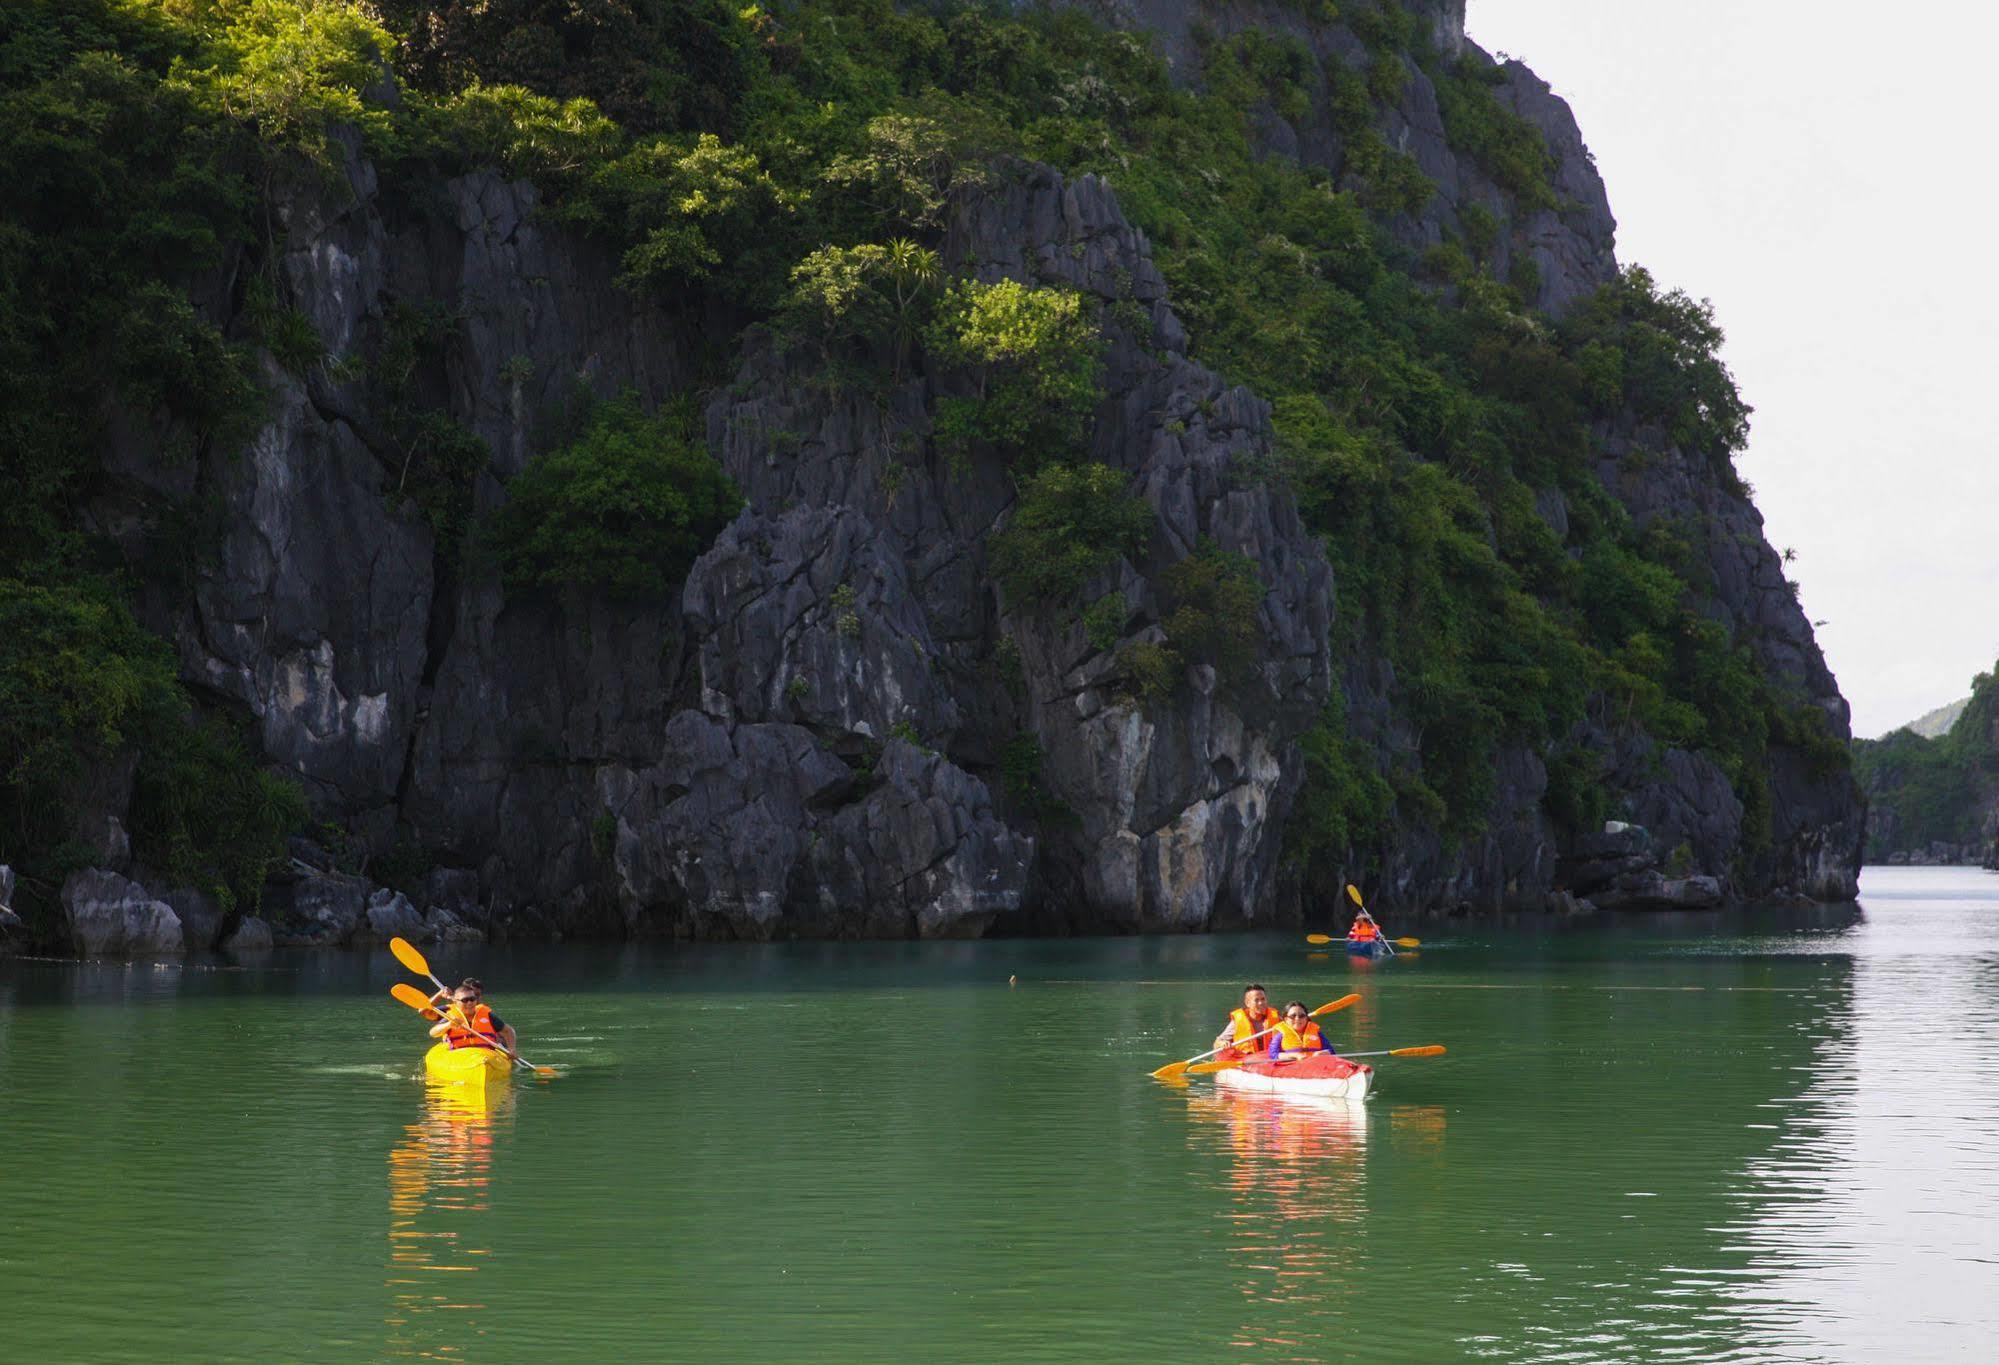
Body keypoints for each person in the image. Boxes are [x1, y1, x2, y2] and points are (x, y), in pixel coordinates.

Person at [427, 978, 517, 1054]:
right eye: (465, 1000)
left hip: (485, 1054)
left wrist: (511, 1049)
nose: (470, 1002)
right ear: (456, 1000)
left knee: (500, 1038)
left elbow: (508, 1031)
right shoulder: (450, 1012)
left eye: (473, 998)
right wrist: (449, 1024)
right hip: (460, 1053)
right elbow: (426, 1013)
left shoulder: (486, 1013)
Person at [1213, 983, 1283, 1059]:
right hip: (1247, 1060)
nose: (1261, 1003)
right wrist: (1222, 1043)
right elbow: (1217, 1043)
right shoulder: (1237, 1022)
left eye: (1263, 999)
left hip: (1271, 1059)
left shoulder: (1277, 1018)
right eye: (1256, 1000)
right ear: (1247, 1003)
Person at [1267, 1001, 1336, 1060]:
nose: (1297, 1019)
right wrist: (1295, 1055)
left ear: (1306, 1018)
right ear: (1286, 1019)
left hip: (1315, 1063)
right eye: (1293, 1016)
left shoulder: (1317, 1033)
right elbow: (1273, 1055)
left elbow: (1331, 1051)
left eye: (1302, 1016)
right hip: (1292, 1065)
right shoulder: (1280, 1035)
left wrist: (1322, 1053)